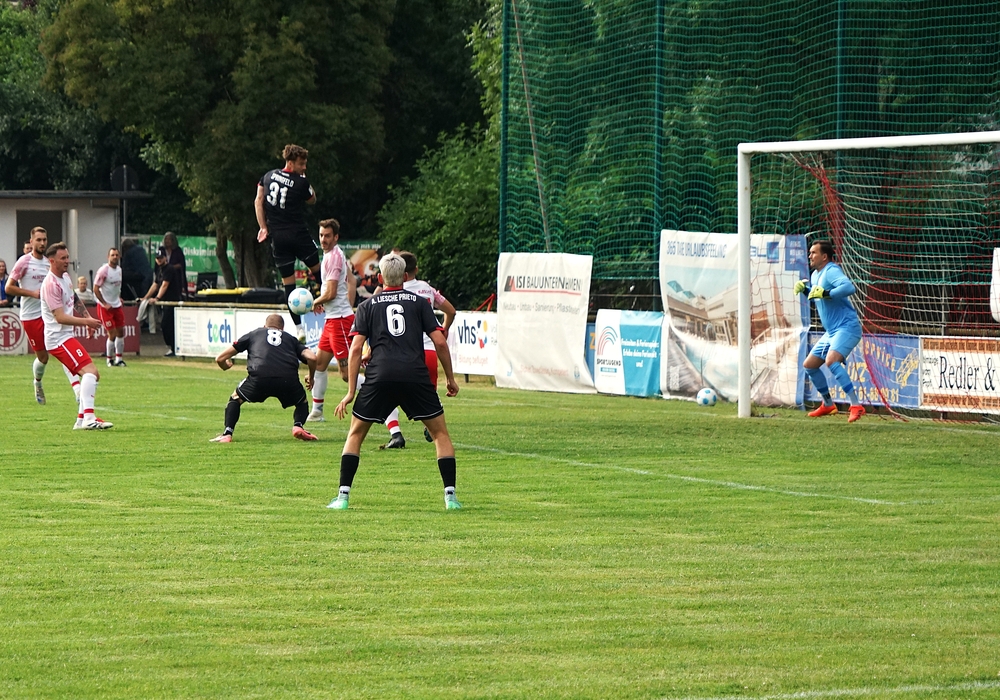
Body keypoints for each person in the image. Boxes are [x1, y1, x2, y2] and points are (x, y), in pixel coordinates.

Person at [327, 253, 461, 511]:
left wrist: (351, 391)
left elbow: (355, 350)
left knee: (356, 434)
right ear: (406, 276)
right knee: (440, 434)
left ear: (380, 278)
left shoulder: (367, 306)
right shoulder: (420, 302)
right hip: (415, 376)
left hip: (380, 376)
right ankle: (451, 498)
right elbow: (440, 342)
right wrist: (450, 378)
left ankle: (342, 497)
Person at [210, 314, 319, 443]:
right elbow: (312, 358)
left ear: (264, 326)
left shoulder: (254, 334)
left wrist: (225, 366)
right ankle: (298, 426)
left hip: (260, 377)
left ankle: (227, 433)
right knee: (302, 402)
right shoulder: (290, 339)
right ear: (282, 328)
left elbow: (220, 358)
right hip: (287, 379)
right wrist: (311, 377)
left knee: (235, 398)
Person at [39, 243, 112, 430]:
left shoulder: (64, 277)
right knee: (91, 373)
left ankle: (81, 420)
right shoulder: (50, 284)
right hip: (57, 339)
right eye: (63, 258)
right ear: (52, 261)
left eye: (67, 257)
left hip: (65, 337)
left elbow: (74, 298)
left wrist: (87, 316)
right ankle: (88, 418)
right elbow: (60, 317)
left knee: (93, 374)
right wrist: (87, 322)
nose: (67, 261)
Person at [5, 227, 81, 404]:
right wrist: (33, 293)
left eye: (44, 240)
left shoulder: (50, 262)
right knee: (43, 358)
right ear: (31, 242)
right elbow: (9, 287)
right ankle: (37, 382)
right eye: (38, 240)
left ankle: (77, 390)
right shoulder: (24, 262)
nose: (42, 243)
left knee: (63, 349)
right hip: (31, 317)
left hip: (50, 314)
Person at [794, 239, 865, 423]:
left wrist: (826, 293)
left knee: (831, 360)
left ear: (824, 256)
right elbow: (818, 296)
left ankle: (856, 405)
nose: (810, 256)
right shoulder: (815, 275)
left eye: (814, 253)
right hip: (831, 331)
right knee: (809, 365)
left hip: (847, 327)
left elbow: (849, 287)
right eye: (810, 252)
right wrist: (805, 290)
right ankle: (828, 404)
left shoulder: (831, 270)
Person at [255, 144, 320, 340]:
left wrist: (263, 227)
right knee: (319, 273)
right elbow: (312, 200)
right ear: (290, 163)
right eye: (301, 164)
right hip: (298, 235)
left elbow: (258, 200)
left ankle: (299, 329)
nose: (304, 168)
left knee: (289, 286)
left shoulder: (267, 176)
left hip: (278, 238)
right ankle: (331, 308)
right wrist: (304, 180)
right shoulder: (300, 182)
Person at [306, 218, 356, 423]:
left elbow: (332, 293)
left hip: (340, 321)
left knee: (346, 374)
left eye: (327, 236)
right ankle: (317, 411)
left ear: (336, 237)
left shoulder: (334, 257)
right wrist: (322, 302)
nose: (323, 239)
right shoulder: (329, 255)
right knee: (319, 363)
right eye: (321, 235)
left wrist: (315, 301)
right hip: (332, 319)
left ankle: (385, 401)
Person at [142, 247, 182, 356]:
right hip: (165, 303)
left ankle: (174, 348)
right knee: (165, 326)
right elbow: (155, 285)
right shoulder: (159, 270)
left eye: (161, 257)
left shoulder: (169, 269)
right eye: (157, 258)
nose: (159, 260)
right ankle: (172, 347)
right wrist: (145, 298)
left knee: (168, 325)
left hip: (172, 302)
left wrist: (157, 298)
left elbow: (164, 285)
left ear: (165, 258)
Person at [94, 247, 127, 367]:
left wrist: (118, 297)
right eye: (112, 255)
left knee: (121, 332)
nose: (115, 257)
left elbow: (116, 287)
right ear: (108, 257)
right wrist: (104, 303)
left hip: (116, 305)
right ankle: (109, 359)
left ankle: (119, 359)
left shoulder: (119, 270)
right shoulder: (103, 271)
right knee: (112, 333)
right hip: (105, 307)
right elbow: (96, 288)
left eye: (116, 255)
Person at [162, 232, 187, 298]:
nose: (167, 241)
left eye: (169, 239)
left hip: (176, 279)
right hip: (163, 277)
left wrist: (170, 267)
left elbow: (181, 264)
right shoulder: (161, 250)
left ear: (173, 241)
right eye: (166, 239)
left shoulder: (178, 250)